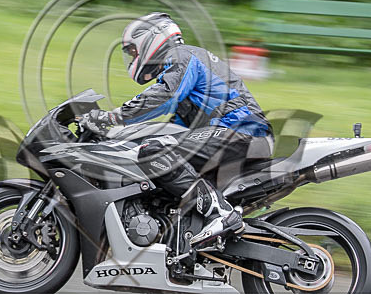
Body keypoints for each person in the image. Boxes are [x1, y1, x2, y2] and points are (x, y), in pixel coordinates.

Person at [81, 12, 274, 246]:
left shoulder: (182, 57)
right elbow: (174, 129)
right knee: (155, 151)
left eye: (133, 50)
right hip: (236, 135)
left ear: (151, 38)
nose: (132, 57)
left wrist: (113, 117)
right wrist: (121, 136)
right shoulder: (184, 66)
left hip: (241, 132)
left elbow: (162, 96)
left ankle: (221, 214)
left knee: (153, 151)